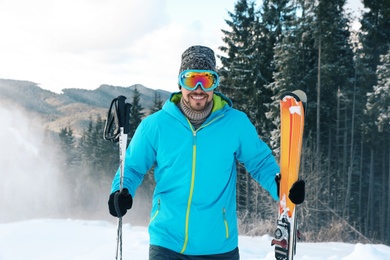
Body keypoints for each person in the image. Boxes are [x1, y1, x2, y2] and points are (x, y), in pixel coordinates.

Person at [108, 45, 305, 260]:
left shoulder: (235, 123)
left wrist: (281, 186)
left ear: (215, 84)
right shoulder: (155, 126)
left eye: (207, 80)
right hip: (167, 244)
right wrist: (120, 191)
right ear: (180, 83)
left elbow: (260, 162)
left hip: (219, 246)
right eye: (192, 80)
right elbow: (133, 167)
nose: (199, 89)